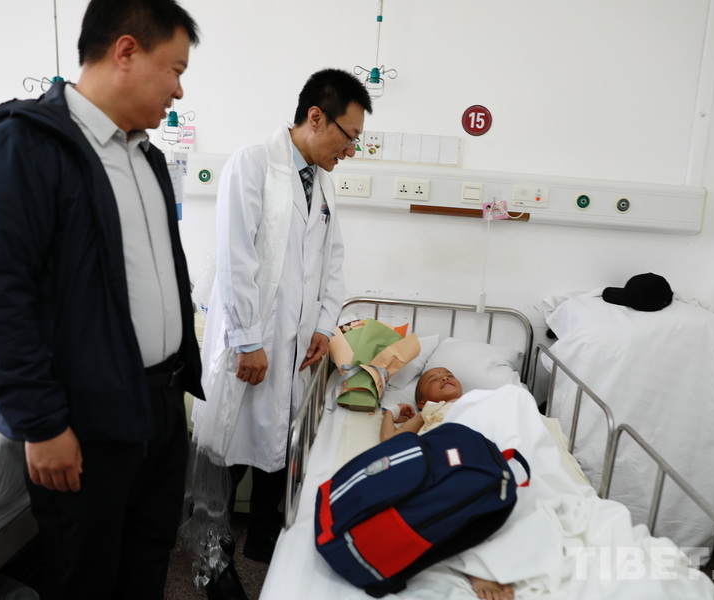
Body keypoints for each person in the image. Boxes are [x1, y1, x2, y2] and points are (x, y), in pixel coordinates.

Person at [0, 1, 203, 598]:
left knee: (146, 565)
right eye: (174, 69)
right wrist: (40, 424)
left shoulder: (146, 158)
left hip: (161, 405)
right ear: (126, 51)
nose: (178, 89)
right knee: (85, 577)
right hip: (85, 420)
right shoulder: (22, 148)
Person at [191, 68, 372, 598]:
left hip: (295, 347)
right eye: (349, 136)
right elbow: (235, 258)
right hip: (249, 344)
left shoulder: (323, 182)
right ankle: (210, 563)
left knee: (276, 447)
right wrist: (248, 340)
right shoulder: (252, 165)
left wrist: (323, 326)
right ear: (316, 117)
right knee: (224, 457)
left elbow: (331, 263)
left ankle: (261, 542)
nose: (351, 150)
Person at [380, 367, 516, 600]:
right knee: (466, 493)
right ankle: (477, 563)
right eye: (434, 379)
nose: (444, 378)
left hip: (493, 446)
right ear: (422, 403)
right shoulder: (430, 410)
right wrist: (391, 412)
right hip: (453, 451)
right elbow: (389, 442)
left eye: (449, 375)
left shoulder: (483, 399)